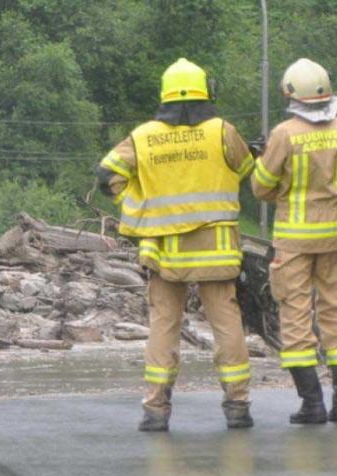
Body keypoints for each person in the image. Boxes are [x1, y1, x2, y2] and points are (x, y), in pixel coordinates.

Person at [97, 58, 255, 431]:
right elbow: (247, 168)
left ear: (165, 95)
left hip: (164, 250)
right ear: (205, 92)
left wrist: (140, 210)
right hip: (214, 247)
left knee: (163, 325)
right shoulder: (221, 130)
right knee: (226, 323)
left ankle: (155, 411)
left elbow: (107, 177)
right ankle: (238, 406)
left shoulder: (143, 136)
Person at [251, 58, 337, 424]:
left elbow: (261, 186)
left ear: (290, 93)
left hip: (295, 240)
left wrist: (262, 162)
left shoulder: (284, 133)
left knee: (296, 316)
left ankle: (312, 404)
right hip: (335, 235)